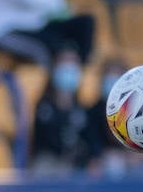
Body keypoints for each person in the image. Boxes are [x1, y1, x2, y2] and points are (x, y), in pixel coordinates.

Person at [28, 44, 104, 175]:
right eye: (65, 63)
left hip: (77, 166)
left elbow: (91, 141)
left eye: (73, 64)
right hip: (50, 164)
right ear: (55, 68)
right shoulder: (44, 108)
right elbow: (44, 143)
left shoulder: (82, 110)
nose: (69, 69)